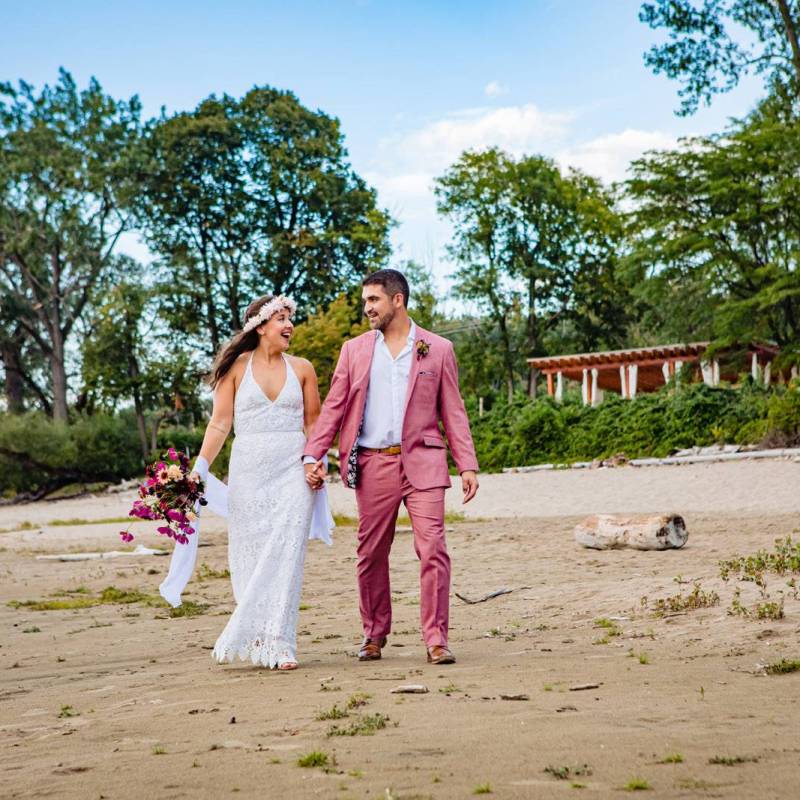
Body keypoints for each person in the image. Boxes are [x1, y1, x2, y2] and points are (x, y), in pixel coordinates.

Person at [303, 269, 479, 665]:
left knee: (433, 547)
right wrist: (313, 454)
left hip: (425, 461)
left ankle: (436, 639)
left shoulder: (438, 349)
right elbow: (334, 407)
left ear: (397, 300)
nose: (366, 308)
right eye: (365, 301)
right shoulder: (355, 350)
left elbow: (453, 409)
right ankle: (374, 634)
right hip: (372, 463)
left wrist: (466, 463)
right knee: (370, 554)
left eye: (373, 300)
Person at [191, 294, 323, 670]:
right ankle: (258, 634)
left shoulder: (303, 369)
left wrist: (316, 459)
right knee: (250, 555)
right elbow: (220, 424)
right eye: (281, 318)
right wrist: (199, 468)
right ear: (260, 326)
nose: (289, 325)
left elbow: (314, 423)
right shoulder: (236, 368)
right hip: (248, 474)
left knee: (286, 554)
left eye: (290, 318)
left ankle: (281, 643)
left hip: (294, 474)